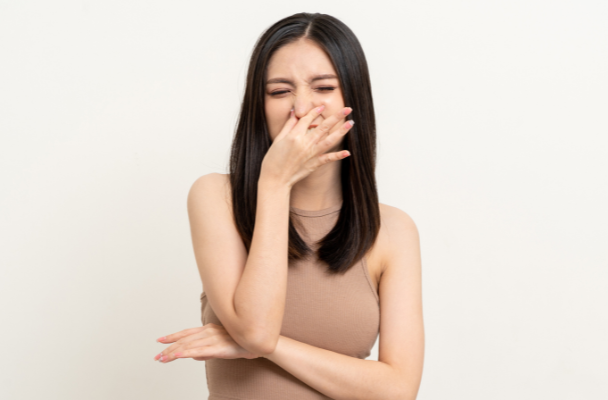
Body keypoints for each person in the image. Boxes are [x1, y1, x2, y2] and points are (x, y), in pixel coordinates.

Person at [154, 12, 424, 400]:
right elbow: (256, 328)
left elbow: (397, 390)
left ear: (353, 99)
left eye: (324, 87)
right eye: (279, 91)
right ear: (258, 106)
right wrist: (275, 184)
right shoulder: (217, 197)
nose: (301, 107)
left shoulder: (393, 230)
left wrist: (262, 347)